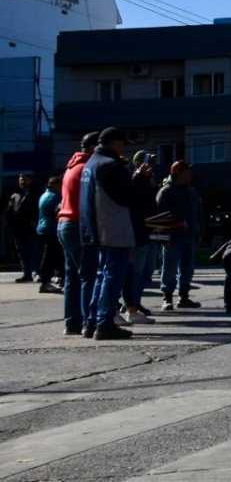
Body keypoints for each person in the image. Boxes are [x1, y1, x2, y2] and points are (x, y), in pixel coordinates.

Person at [79, 127, 136, 340]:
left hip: (95, 227)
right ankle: (104, 323)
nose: (123, 148)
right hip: (113, 227)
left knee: (102, 275)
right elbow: (126, 197)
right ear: (114, 143)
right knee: (113, 276)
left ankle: (91, 322)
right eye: (122, 143)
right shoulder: (110, 166)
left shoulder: (91, 163)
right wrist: (136, 180)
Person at [57, 132, 99, 336]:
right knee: (88, 275)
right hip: (77, 224)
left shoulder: (71, 166)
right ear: (92, 147)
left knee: (72, 276)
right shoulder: (86, 169)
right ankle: (88, 322)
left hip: (64, 223)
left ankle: (71, 322)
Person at [158, 161, 204, 310]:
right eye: (187, 172)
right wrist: (167, 233)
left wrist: (198, 231)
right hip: (172, 237)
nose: (190, 175)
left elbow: (198, 213)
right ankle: (167, 298)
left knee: (187, 268)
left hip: (190, 236)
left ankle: (184, 297)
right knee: (169, 267)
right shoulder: (166, 191)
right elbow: (160, 216)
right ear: (178, 173)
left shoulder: (192, 191)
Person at [121, 152, 158, 324]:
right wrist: (140, 178)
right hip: (137, 231)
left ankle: (134, 303)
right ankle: (131, 305)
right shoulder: (133, 181)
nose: (151, 166)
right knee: (134, 271)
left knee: (143, 272)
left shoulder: (148, 181)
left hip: (147, 230)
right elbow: (135, 203)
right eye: (147, 163)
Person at [3, 172, 40, 284]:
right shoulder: (15, 195)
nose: (22, 182)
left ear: (30, 180)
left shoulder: (35, 194)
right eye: (20, 179)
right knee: (22, 252)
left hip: (30, 228)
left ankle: (36, 272)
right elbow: (9, 212)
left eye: (24, 179)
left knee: (33, 251)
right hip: (18, 229)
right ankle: (26, 273)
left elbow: (36, 211)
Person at [36, 175, 64, 294]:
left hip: (43, 228)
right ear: (57, 185)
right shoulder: (55, 196)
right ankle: (46, 280)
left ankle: (51, 277)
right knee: (52, 255)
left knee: (51, 254)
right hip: (51, 228)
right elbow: (57, 212)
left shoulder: (44, 195)